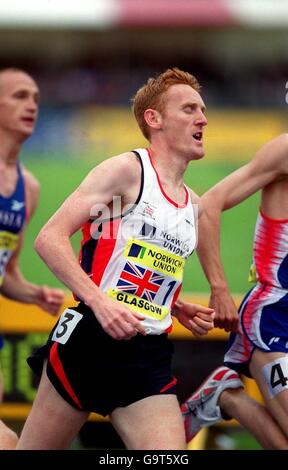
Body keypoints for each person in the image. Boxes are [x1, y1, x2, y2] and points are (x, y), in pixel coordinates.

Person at [16, 68, 215, 450]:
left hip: (148, 354)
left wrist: (175, 306)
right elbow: (50, 239)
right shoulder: (127, 170)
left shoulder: (195, 205)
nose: (202, 118)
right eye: (189, 109)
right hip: (91, 342)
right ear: (153, 119)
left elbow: (135, 261)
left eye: (203, 109)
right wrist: (100, 303)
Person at [182, 134, 288, 449]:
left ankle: (226, 394)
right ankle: (231, 399)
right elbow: (208, 205)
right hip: (273, 318)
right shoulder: (284, 150)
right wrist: (219, 287)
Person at [0, 68, 65, 449]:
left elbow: (5, 272)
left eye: (37, 99)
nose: (32, 106)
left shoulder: (29, 187)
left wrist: (31, 293)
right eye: (20, 96)